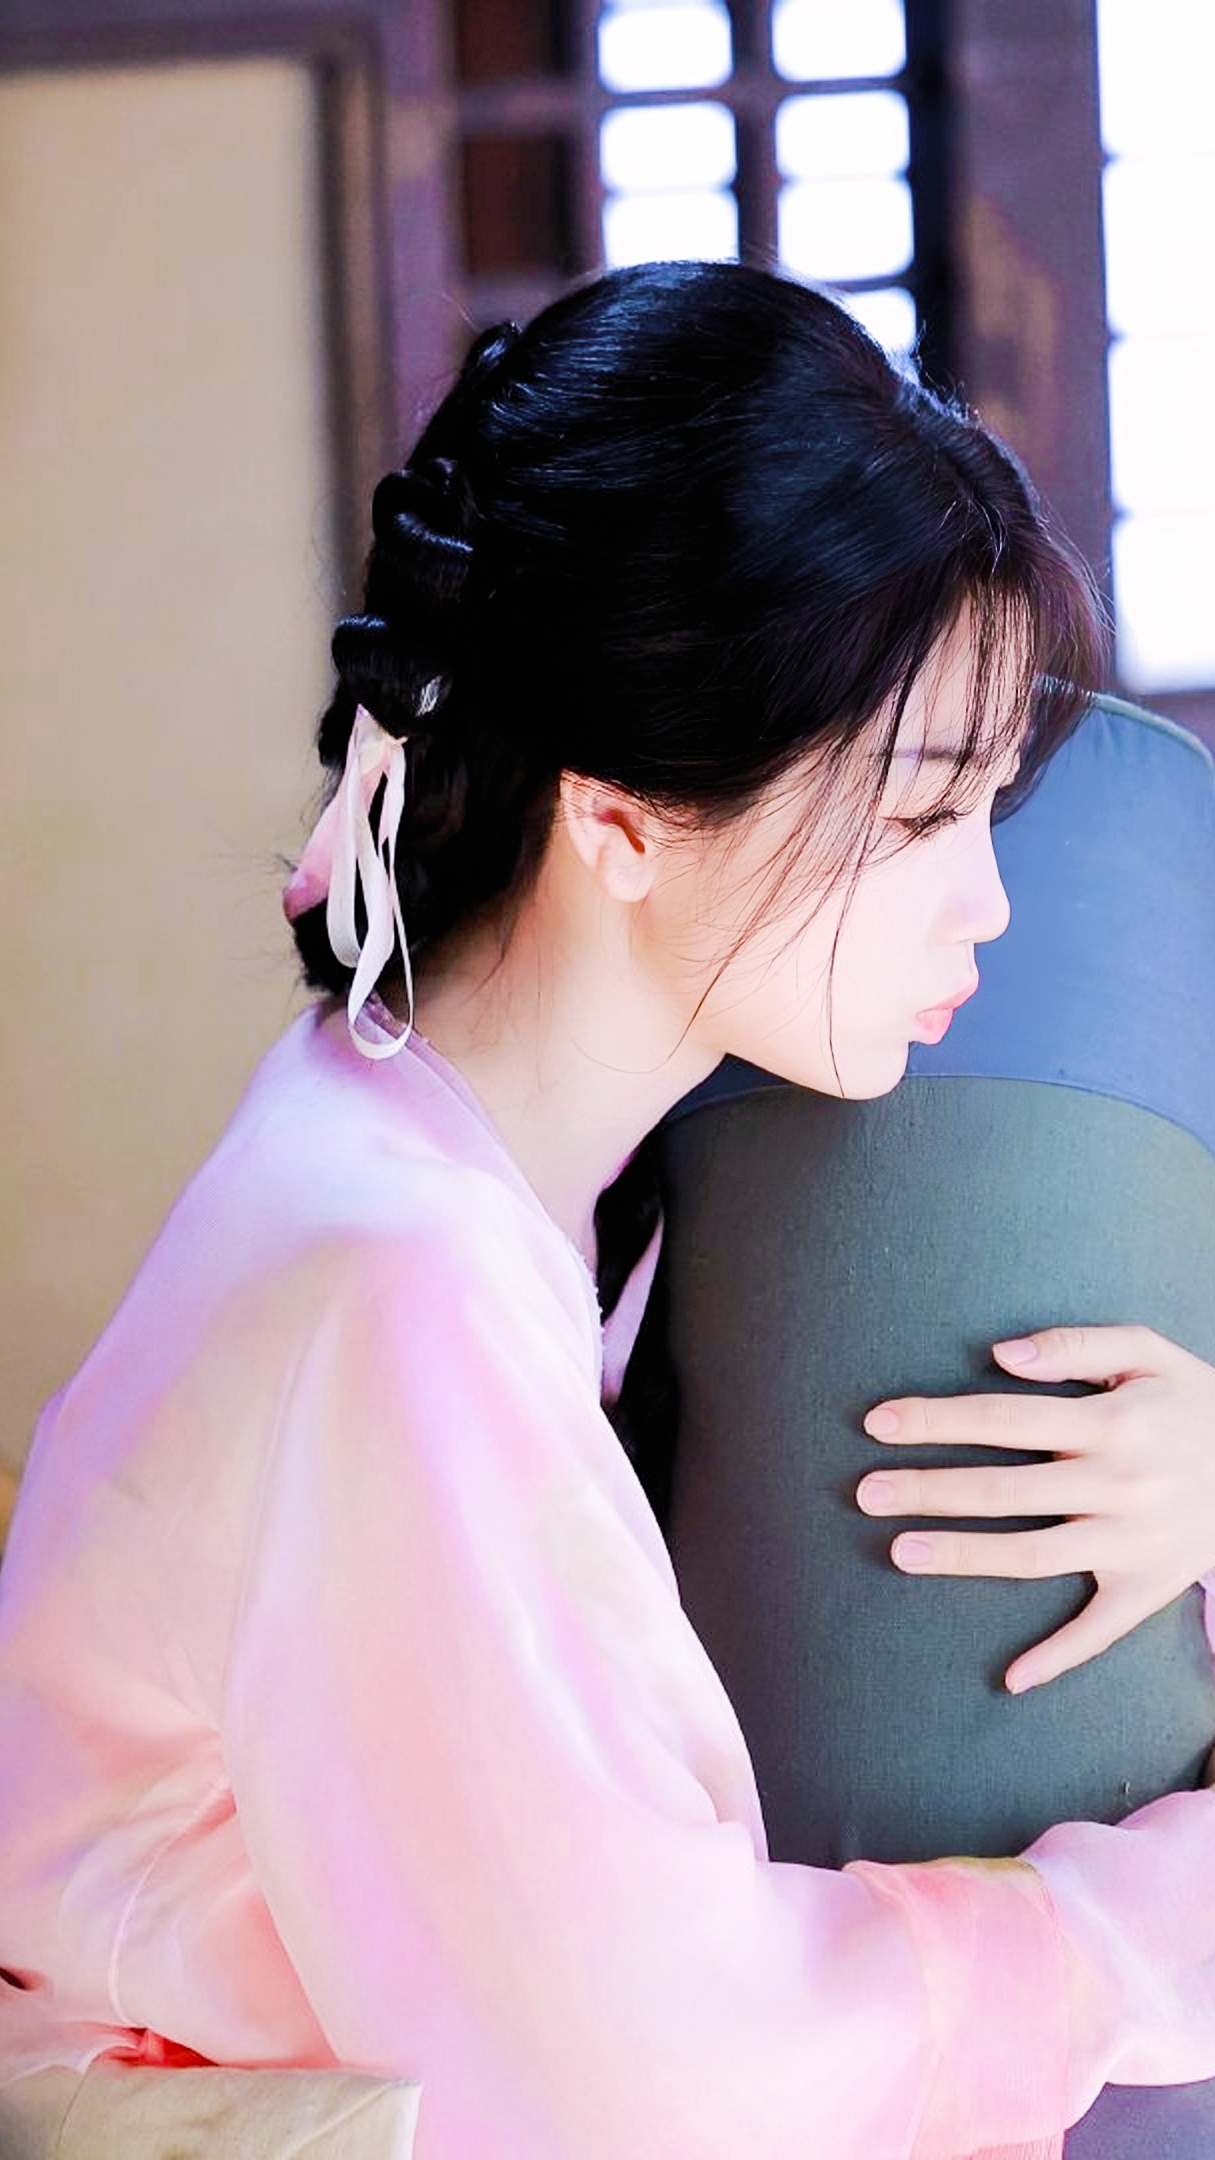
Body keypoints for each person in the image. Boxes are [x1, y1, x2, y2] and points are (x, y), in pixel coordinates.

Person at [3, 260, 1215, 2160]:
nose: (989, 904)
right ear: (624, 816)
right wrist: (1153, 1929)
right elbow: (662, 2088)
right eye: (919, 812)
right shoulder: (391, 1278)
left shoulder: (425, 1137)